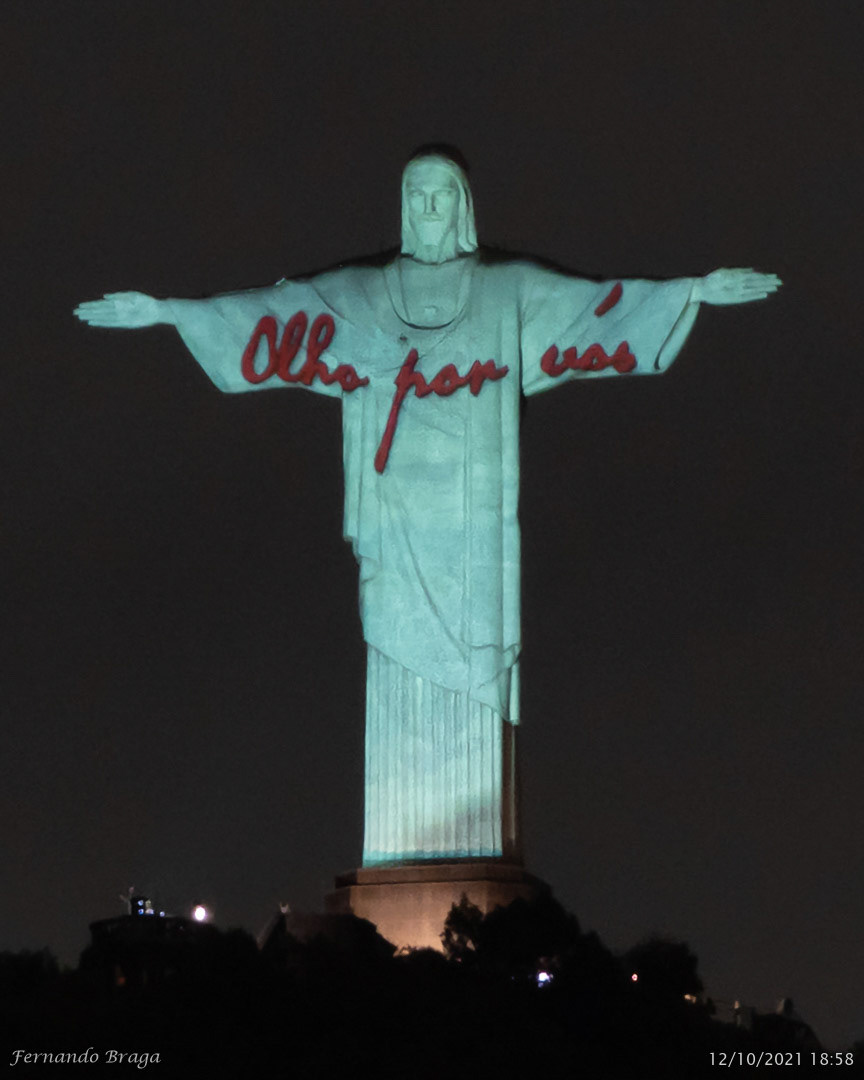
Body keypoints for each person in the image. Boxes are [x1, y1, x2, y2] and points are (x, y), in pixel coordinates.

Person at [75, 150, 781, 866]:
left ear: (464, 204)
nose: (429, 207)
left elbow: (594, 309)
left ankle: (467, 858)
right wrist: (166, 312)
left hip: (472, 530)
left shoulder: (506, 289)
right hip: (395, 516)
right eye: (417, 194)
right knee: (393, 644)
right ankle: (402, 858)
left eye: (443, 194)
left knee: (476, 663)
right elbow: (274, 313)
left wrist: (692, 292)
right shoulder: (363, 294)